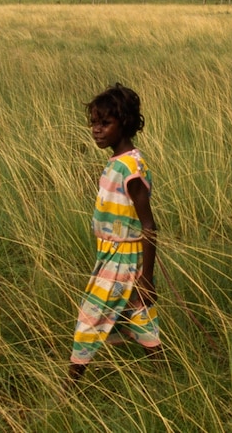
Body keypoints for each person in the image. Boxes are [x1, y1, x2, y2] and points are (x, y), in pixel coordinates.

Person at [69, 83, 162, 383]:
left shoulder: (130, 168)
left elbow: (148, 225)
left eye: (105, 123)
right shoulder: (118, 163)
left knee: (89, 319)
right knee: (139, 316)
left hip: (123, 258)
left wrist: (147, 278)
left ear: (125, 123)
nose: (96, 130)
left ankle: (69, 388)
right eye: (94, 123)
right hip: (113, 253)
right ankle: (166, 377)